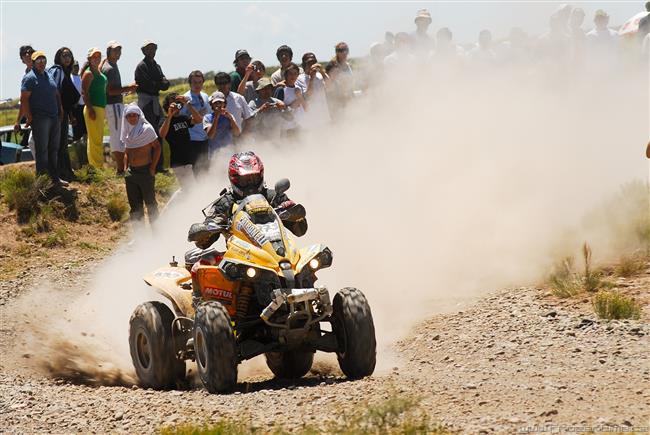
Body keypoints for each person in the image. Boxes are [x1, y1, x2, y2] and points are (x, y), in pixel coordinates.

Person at [19, 50, 65, 185]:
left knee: (53, 149)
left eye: (44, 60)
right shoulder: (29, 78)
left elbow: (56, 93)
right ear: (33, 63)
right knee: (42, 151)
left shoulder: (48, 75)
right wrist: (29, 117)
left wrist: (60, 108)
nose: (41, 63)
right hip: (40, 119)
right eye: (38, 60)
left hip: (54, 117)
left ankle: (54, 178)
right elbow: (24, 99)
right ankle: (43, 181)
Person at [102, 41, 138, 174]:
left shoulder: (110, 65)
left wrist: (127, 89)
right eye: (115, 50)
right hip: (113, 105)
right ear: (109, 51)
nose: (118, 53)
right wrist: (129, 88)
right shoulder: (110, 68)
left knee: (118, 136)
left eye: (119, 50)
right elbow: (110, 91)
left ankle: (121, 168)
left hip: (114, 105)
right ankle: (120, 169)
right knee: (117, 137)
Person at [121, 104, 160, 222]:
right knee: (135, 206)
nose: (132, 118)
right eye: (129, 116)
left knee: (150, 204)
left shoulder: (147, 129)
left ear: (139, 116)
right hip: (131, 173)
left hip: (145, 171)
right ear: (126, 117)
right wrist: (125, 168)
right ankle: (139, 235)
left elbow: (157, 147)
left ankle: (157, 233)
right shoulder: (127, 132)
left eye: (134, 115)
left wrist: (152, 168)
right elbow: (127, 152)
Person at [48, 47, 80, 181]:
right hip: (57, 114)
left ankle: (66, 172)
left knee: (63, 144)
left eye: (69, 55)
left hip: (64, 114)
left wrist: (71, 116)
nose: (67, 58)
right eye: (64, 55)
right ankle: (60, 174)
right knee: (59, 145)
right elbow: (56, 92)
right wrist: (60, 110)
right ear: (58, 57)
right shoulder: (58, 70)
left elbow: (67, 97)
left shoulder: (66, 73)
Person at [159, 92, 203, 181]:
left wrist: (187, 104)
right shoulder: (164, 120)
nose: (176, 106)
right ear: (167, 105)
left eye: (178, 103)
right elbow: (162, 134)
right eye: (173, 103)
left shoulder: (183, 117)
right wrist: (169, 115)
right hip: (178, 161)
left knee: (188, 188)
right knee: (189, 188)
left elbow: (199, 120)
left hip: (189, 158)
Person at [81, 47, 107, 169]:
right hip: (93, 108)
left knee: (98, 138)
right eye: (94, 57)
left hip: (100, 108)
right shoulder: (89, 73)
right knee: (94, 140)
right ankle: (96, 167)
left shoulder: (97, 71)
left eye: (98, 56)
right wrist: (90, 109)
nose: (97, 59)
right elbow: (84, 93)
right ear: (89, 59)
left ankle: (96, 166)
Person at [181, 70, 211, 170]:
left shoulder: (205, 96)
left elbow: (209, 115)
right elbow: (182, 119)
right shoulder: (185, 98)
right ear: (190, 83)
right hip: (192, 139)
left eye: (200, 82)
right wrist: (195, 115)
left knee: (206, 167)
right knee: (196, 168)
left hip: (205, 138)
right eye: (194, 82)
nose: (197, 85)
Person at [213, 72, 253, 138]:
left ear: (229, 83)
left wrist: (243, 137)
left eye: (225, 82)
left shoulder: (239, 98)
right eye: (219, 83)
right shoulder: (210, 100)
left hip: (237, 138)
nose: (222, 85)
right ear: (216, 84)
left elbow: (248, 119)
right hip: (217, 141)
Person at [297, 53, 331, 129]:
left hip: (323, 115)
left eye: (314, 62)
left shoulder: (320, 75)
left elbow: (330, 86)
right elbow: (308, 96)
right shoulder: (300, 79)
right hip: (310, 119)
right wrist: (311, 79)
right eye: (309, 62)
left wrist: (322, 71)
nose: (312, 65)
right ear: (303, 65)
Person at [203, 91, 240, 160]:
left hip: (230, 154)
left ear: (224, 104)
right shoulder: (207, 117)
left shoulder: (229, 116)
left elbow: (237, 133)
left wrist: (231, 119)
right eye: (215, 103)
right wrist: (216, 117)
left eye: (220, 102)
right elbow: (210, 135)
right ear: (211, 104)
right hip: (214, 156)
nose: (218, 105)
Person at [273, 63, 306, 138]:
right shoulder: (281, 89)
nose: (293, 76)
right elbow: (276, 110)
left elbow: (306, 108)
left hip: (298, 127)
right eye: (290, 74)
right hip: (285, 129)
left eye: (295, 73)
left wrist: (300, 97)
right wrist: (292, 106)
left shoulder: (299, 88)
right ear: (286, 75)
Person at [326, 42, 354, 118]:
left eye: (346, 50)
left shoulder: (348, 66)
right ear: (337, 52)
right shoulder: (332, 65)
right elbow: (327, 85)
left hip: (348, 98)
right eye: (341, 50)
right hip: (336, 100)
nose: (344, 52)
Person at [14, 45, 35, 140]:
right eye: (24, 53)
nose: (27, 54)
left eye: (30, 52)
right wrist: (18, 121)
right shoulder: (26, 76)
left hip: (45, 114)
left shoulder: (43, 71)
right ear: (22, 60)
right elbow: (24, 100)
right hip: (34, 116)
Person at [70, 60, 87, 142]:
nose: (76, 68)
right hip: (75, 108)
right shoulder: (70, 78)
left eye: (77, 66)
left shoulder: (81, 77)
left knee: (85, 129)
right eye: (74, 66)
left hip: (84, 106)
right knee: (77, 130)